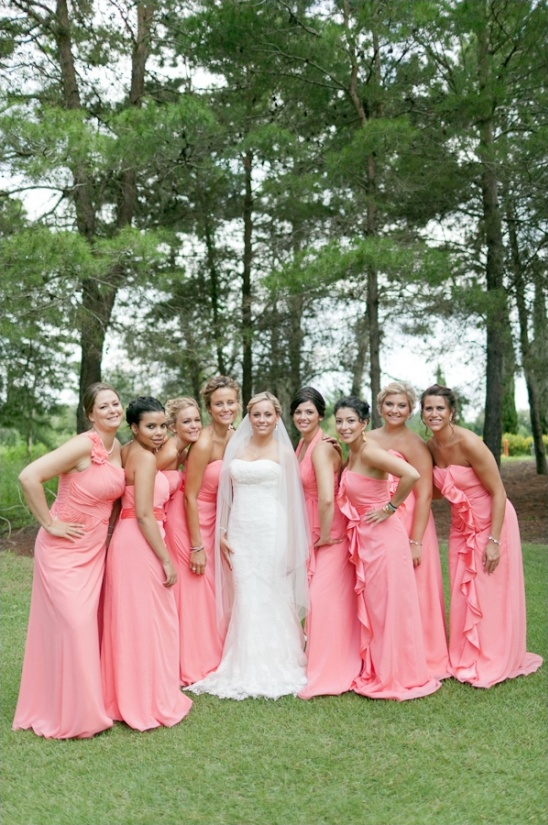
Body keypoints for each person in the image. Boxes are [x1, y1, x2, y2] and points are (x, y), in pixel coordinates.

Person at [13, 382, 126, 739]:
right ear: (90, 414)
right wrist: (49, 523)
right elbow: (29, 476)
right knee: (75, 626)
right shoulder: (83, 444)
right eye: (103, 406)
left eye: (116, 404)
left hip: (94, 552)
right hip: (63, 552)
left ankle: (78, 702)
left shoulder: (118, 447)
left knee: (85, 627)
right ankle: (76, 715)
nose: (112, 410)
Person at [188, 391, 309, 700]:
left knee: (271, 590)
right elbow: (225, 492)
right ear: (249, 417)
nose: (262, 420)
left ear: (277, 417)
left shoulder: (284, 452)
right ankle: (242, 662)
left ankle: (278, 659)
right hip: (241, 529)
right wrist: (223, 530)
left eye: (268, 415)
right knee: (245, 591)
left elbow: (293, 502)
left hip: (272, 527)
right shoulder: (235, 446)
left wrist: (293, 544)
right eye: (256, 414)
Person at [421, 384, 543, 688]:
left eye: (439, 408)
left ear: (451, 412)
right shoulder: (430, 447)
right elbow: (437, 491)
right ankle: (465, 656)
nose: (434, 414)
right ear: (422, 413)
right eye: (428, 408)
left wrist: (494, 541)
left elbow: (499, 492)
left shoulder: (469, 443)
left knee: (489, 594)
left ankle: (492, 657)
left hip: (493, 524)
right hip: (461, 529)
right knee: (463, 596)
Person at [334, 396, 442, 701]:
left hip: (384, 541)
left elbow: (412, 475)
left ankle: (397, 673)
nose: (344, 427)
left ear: (364, 423)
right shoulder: (353, 452)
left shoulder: (370, 451)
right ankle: (379, 667)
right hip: (365, 540)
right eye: (340, 421)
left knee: (389, 608)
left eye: (351, 421)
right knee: (377, 609)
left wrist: (390, 507)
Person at [101, 396, 192, 730]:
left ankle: (126, 695)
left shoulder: (126, 452)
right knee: (152, 621)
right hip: (141, 542)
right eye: (150, 427)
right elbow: (142, 514)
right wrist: (167, 560)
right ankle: (145, 699)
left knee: (132, 621)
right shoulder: (145, 459)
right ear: (134, 427)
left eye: (162, 426)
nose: (158, 433)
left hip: (125, 541)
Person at [368, 381, 449, 679]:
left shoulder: (415, 443)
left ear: (410, 409)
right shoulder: (368, 438)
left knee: (416, 588)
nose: (395, 410)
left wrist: (416, 540)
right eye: (390, 404)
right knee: (382, 588)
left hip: (411, 521)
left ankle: (422, 652)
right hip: (378, 519)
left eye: (402, 405)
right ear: (380, 406)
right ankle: (385, 649)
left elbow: (425, 494)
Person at [290, 387, 361, 698]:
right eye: (298, 412)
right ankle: (319, 660)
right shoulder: (303, 445)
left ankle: (329, 669)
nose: (303, 417)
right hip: (311, 528)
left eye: (309, 412)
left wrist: (324, 535)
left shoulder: (320, 448)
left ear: (320, 415)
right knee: (319, 599)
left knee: (322, 599)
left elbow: (327, 497)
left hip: (329, 532)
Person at [180, 375, 240, 684]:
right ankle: (198, 660)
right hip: (198, 519)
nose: (226, 408)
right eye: (219, 403)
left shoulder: (238, 436)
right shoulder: (202, 443)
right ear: (209, 407)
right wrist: (196, 546)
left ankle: (221, 652)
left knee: (222, 589)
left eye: (231, 402)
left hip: (222, 520)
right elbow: (189, 496)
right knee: (200, 591)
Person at [156, 396, 202, 684]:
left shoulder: (183, 448)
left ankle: (188, 651)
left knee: (187, 588)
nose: (194, 425)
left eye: (197, 419)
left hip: (175, 518)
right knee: (183, 587)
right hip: (170, 521)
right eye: (187, 421)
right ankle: (183, 657)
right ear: (173, 426)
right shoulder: (170, 451)